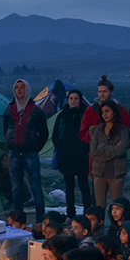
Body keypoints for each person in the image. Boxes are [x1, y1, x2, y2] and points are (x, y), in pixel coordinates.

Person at [2, 79, 49, 223]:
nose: (19, 90)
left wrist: (35, 147)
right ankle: (19, 219)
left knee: (35, 186)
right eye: (17, 87)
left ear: (27, 89)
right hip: (14, 153)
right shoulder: (9, 109)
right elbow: (6, 129)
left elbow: (44, 133)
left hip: (30, 153)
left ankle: (39, 221)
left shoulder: (35, 110)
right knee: (16, 188)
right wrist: (10, 143)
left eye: (22, 87)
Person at [52, 89, 91, 217]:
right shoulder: (62, 115)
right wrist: (60, 150)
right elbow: (55, 135)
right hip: (66, 157)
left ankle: (87, 213)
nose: (73, 101)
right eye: (71, 98)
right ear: (67, 100)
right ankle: (70, 214)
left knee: (84, 186)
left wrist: (84, 149)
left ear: (80, 100)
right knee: (69, 188)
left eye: (76, 98)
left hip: (81, 157)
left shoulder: (84, 115)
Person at [89, 99, 130, 210]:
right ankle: (99, 226)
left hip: (116, 172)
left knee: (117, 205)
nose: (105, 114)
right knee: (99, 206)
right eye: (102, 112)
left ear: (114, 112)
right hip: (99, 172)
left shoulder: (122, 130)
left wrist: (102, 148)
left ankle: (117, 227)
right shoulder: (98, 130)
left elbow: (121, 150)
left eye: (107, 111)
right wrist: (112, 149)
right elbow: (93, 151)